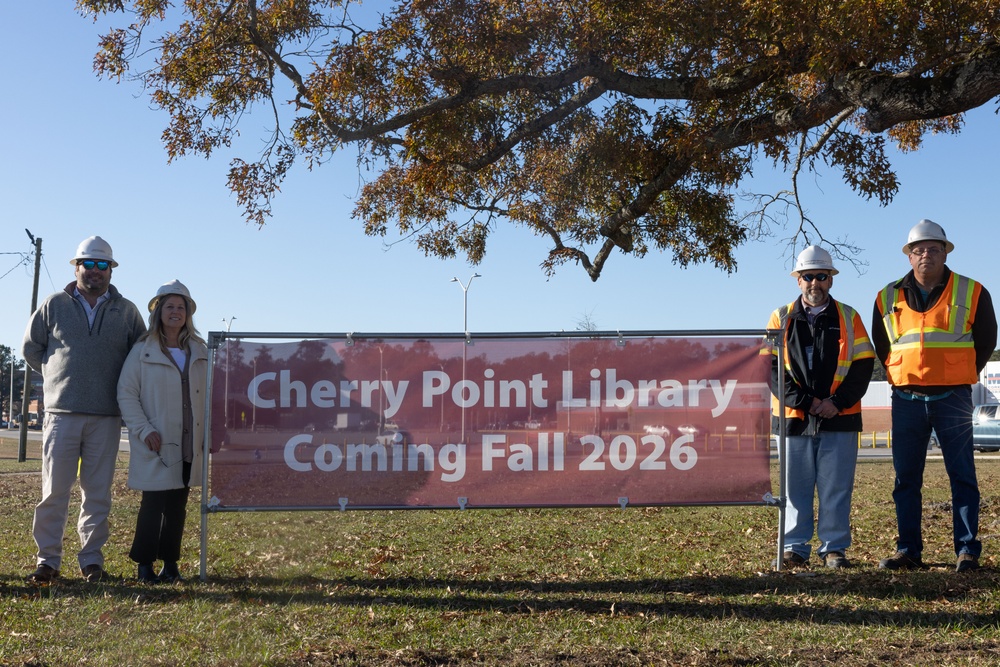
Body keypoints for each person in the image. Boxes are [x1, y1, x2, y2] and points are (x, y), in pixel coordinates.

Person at [873, 219, 997, 572]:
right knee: (905, 479)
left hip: (953, 398)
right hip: (907, 399)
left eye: (934, 248)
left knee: (962, 475)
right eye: (919, 249)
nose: (926, 254)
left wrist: (958, 371)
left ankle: (967, 550)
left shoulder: (972, 291)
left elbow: (986, 339)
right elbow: (884, 346)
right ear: (909, 256)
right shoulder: (886, 296)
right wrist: (901, 374)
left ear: (946, 252)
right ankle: (909, 550)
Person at [22, 236, 146, 583]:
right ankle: (48, 561)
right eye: (88, 264)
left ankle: (92, 561)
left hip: (107, 416)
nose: (95, 271)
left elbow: (139, 357)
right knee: (54, 492)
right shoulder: (54, 304)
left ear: (111, 270)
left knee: (97, 493)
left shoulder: (127, 311)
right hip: (61, 415)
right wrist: (57, 379)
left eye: (102, 265)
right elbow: (32, 349)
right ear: (76, 267)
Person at [766, 246, 874, 569]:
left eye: (822, 276)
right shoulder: (779, 317)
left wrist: (836, 404)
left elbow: (863, 367)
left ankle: (834, 549)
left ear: (831, 280)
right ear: (798, 280)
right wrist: (809, 403)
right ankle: (795, 548)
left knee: (836, 488)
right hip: (793, 420)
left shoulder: (849, 317)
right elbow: (770, 371)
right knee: (793, 488)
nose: (815, 283)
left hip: (839, 419)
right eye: (808, 276)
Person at [118, 280, 207, 583]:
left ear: (188, 314)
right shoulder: (142, 351)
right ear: (158, 312)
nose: (176, 312)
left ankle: (171, 564)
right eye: (169, 306)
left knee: (178, 507)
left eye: (181, 307)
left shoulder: (199, 351)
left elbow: (209, 394)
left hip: (188, 444)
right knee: (152, 506)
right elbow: (126, 393)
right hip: (156, 441)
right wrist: (143, 430)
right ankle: (144, 565)